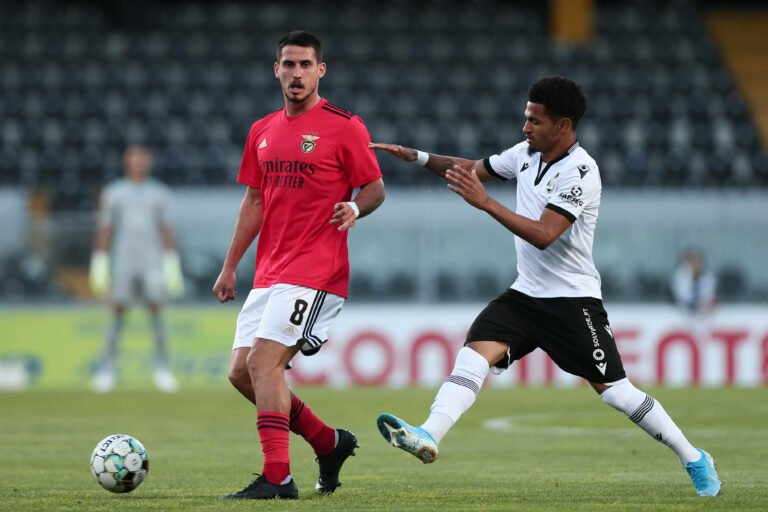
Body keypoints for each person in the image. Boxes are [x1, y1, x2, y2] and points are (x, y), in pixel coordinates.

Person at [369, 76, 721, 497]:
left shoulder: (582, 173)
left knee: (617, 394)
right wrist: (418, 156)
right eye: (525, 118)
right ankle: (429, 433)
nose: (525, 128)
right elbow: (471, 169)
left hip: (573, 302)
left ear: (563, 125)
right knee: (472, 356)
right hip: (525, 295)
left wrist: (486, 203)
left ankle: (694, 457)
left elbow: (544, 233)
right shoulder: (524, 155)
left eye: (534, 121)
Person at [212, 31, 385, 500]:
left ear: (320, 71)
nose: (296, 73)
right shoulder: (261, 131)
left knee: (265, 362)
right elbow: (253, 201)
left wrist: (355, 208)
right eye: (288, 64)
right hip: (270, 271)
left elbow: (374, 187)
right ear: (276, 70)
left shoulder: (345, 126)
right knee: (241, 373)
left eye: (306, 65)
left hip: (318, 270)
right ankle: (329, 443)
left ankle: (277, 478)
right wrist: (230, 267)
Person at [89, 144, 184, 393]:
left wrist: (171, 262)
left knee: (157, 311)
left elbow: (166, 229)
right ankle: (107, 370)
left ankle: (163, 370)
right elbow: (105, 228)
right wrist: (99, 259)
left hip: (151, 261)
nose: (138, 162)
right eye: (133, 158)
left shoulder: (159, 193)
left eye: (142, 158)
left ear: (148, 161)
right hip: (124, 261)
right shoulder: (114, 192)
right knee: (117, 311)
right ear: (126, 161)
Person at [670, 247, 718, 315]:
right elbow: (682, 296)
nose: (694, 264)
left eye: (696, 261)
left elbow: (709, 295)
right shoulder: (679, 278)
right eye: (690, 261)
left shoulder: (708, 278)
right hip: (681, 314)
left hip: (704, 314)